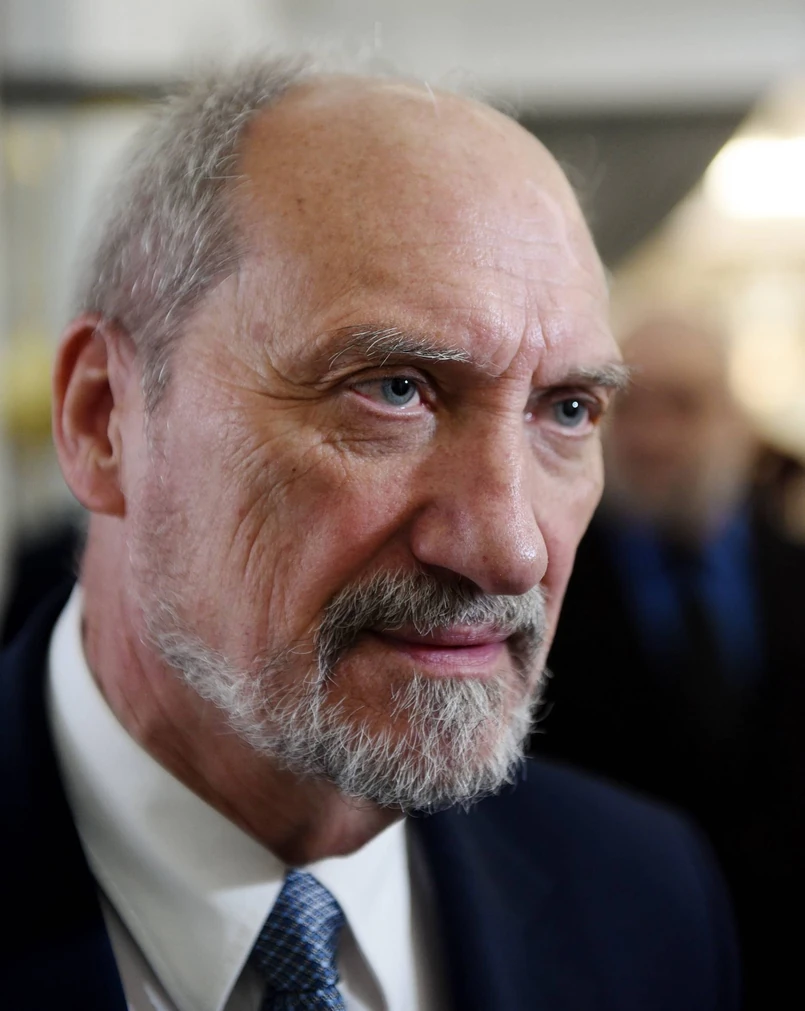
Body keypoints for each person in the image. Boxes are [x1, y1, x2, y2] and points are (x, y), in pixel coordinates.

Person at [0, 60, 739, 1011]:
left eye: (566, 409)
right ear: (104, 418)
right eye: (393, 390)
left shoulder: (644, 899)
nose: (511, 550)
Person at [534, 313, 805, 1008]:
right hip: (609, 951)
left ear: (734, 420)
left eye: (682, 405)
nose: (652, 436)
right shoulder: (539, 590)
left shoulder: (793, 574)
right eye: (630, 408)